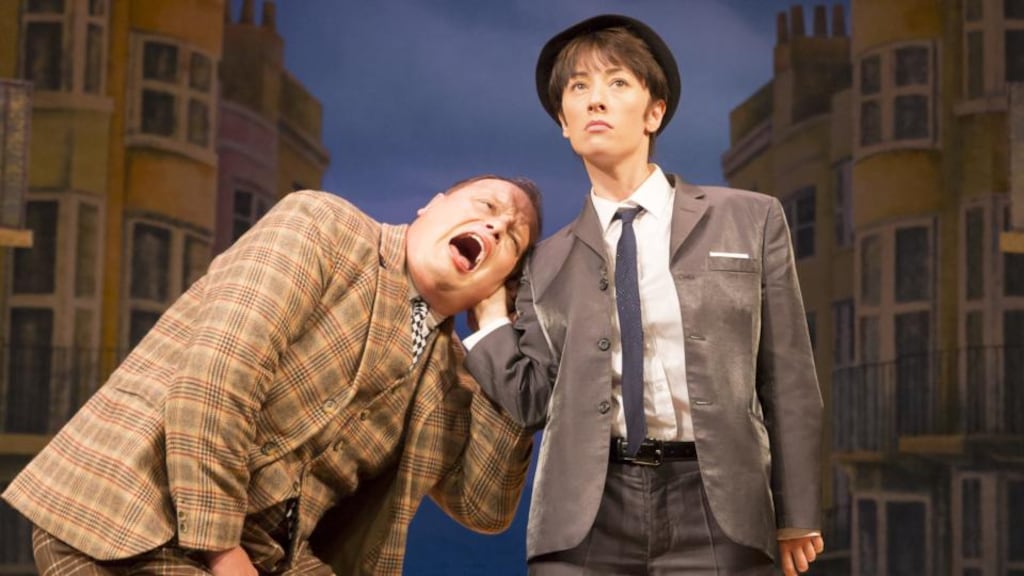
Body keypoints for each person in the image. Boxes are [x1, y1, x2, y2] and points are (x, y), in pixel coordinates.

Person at [2, 175, 542, 576]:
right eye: (485, 206)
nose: (496, 225)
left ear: (498, 283)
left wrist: (498, 343)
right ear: (433, 205)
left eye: (512, 240)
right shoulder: (324, 226)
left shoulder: (448, 378)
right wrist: (222, 552)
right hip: (136, 517)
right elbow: (216, 377)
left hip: (269, 556)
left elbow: (485, 507)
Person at [464, 14, 824, 576]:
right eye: (578, 89)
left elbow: (788, 375)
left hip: (717, 504)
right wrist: (487, 314)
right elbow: (533, 399)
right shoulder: (547, 261)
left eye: (617, 83)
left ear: (654, 112)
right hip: (584, 516)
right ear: (563, 121)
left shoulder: (749, 218)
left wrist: (797, 511)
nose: (594, 101)